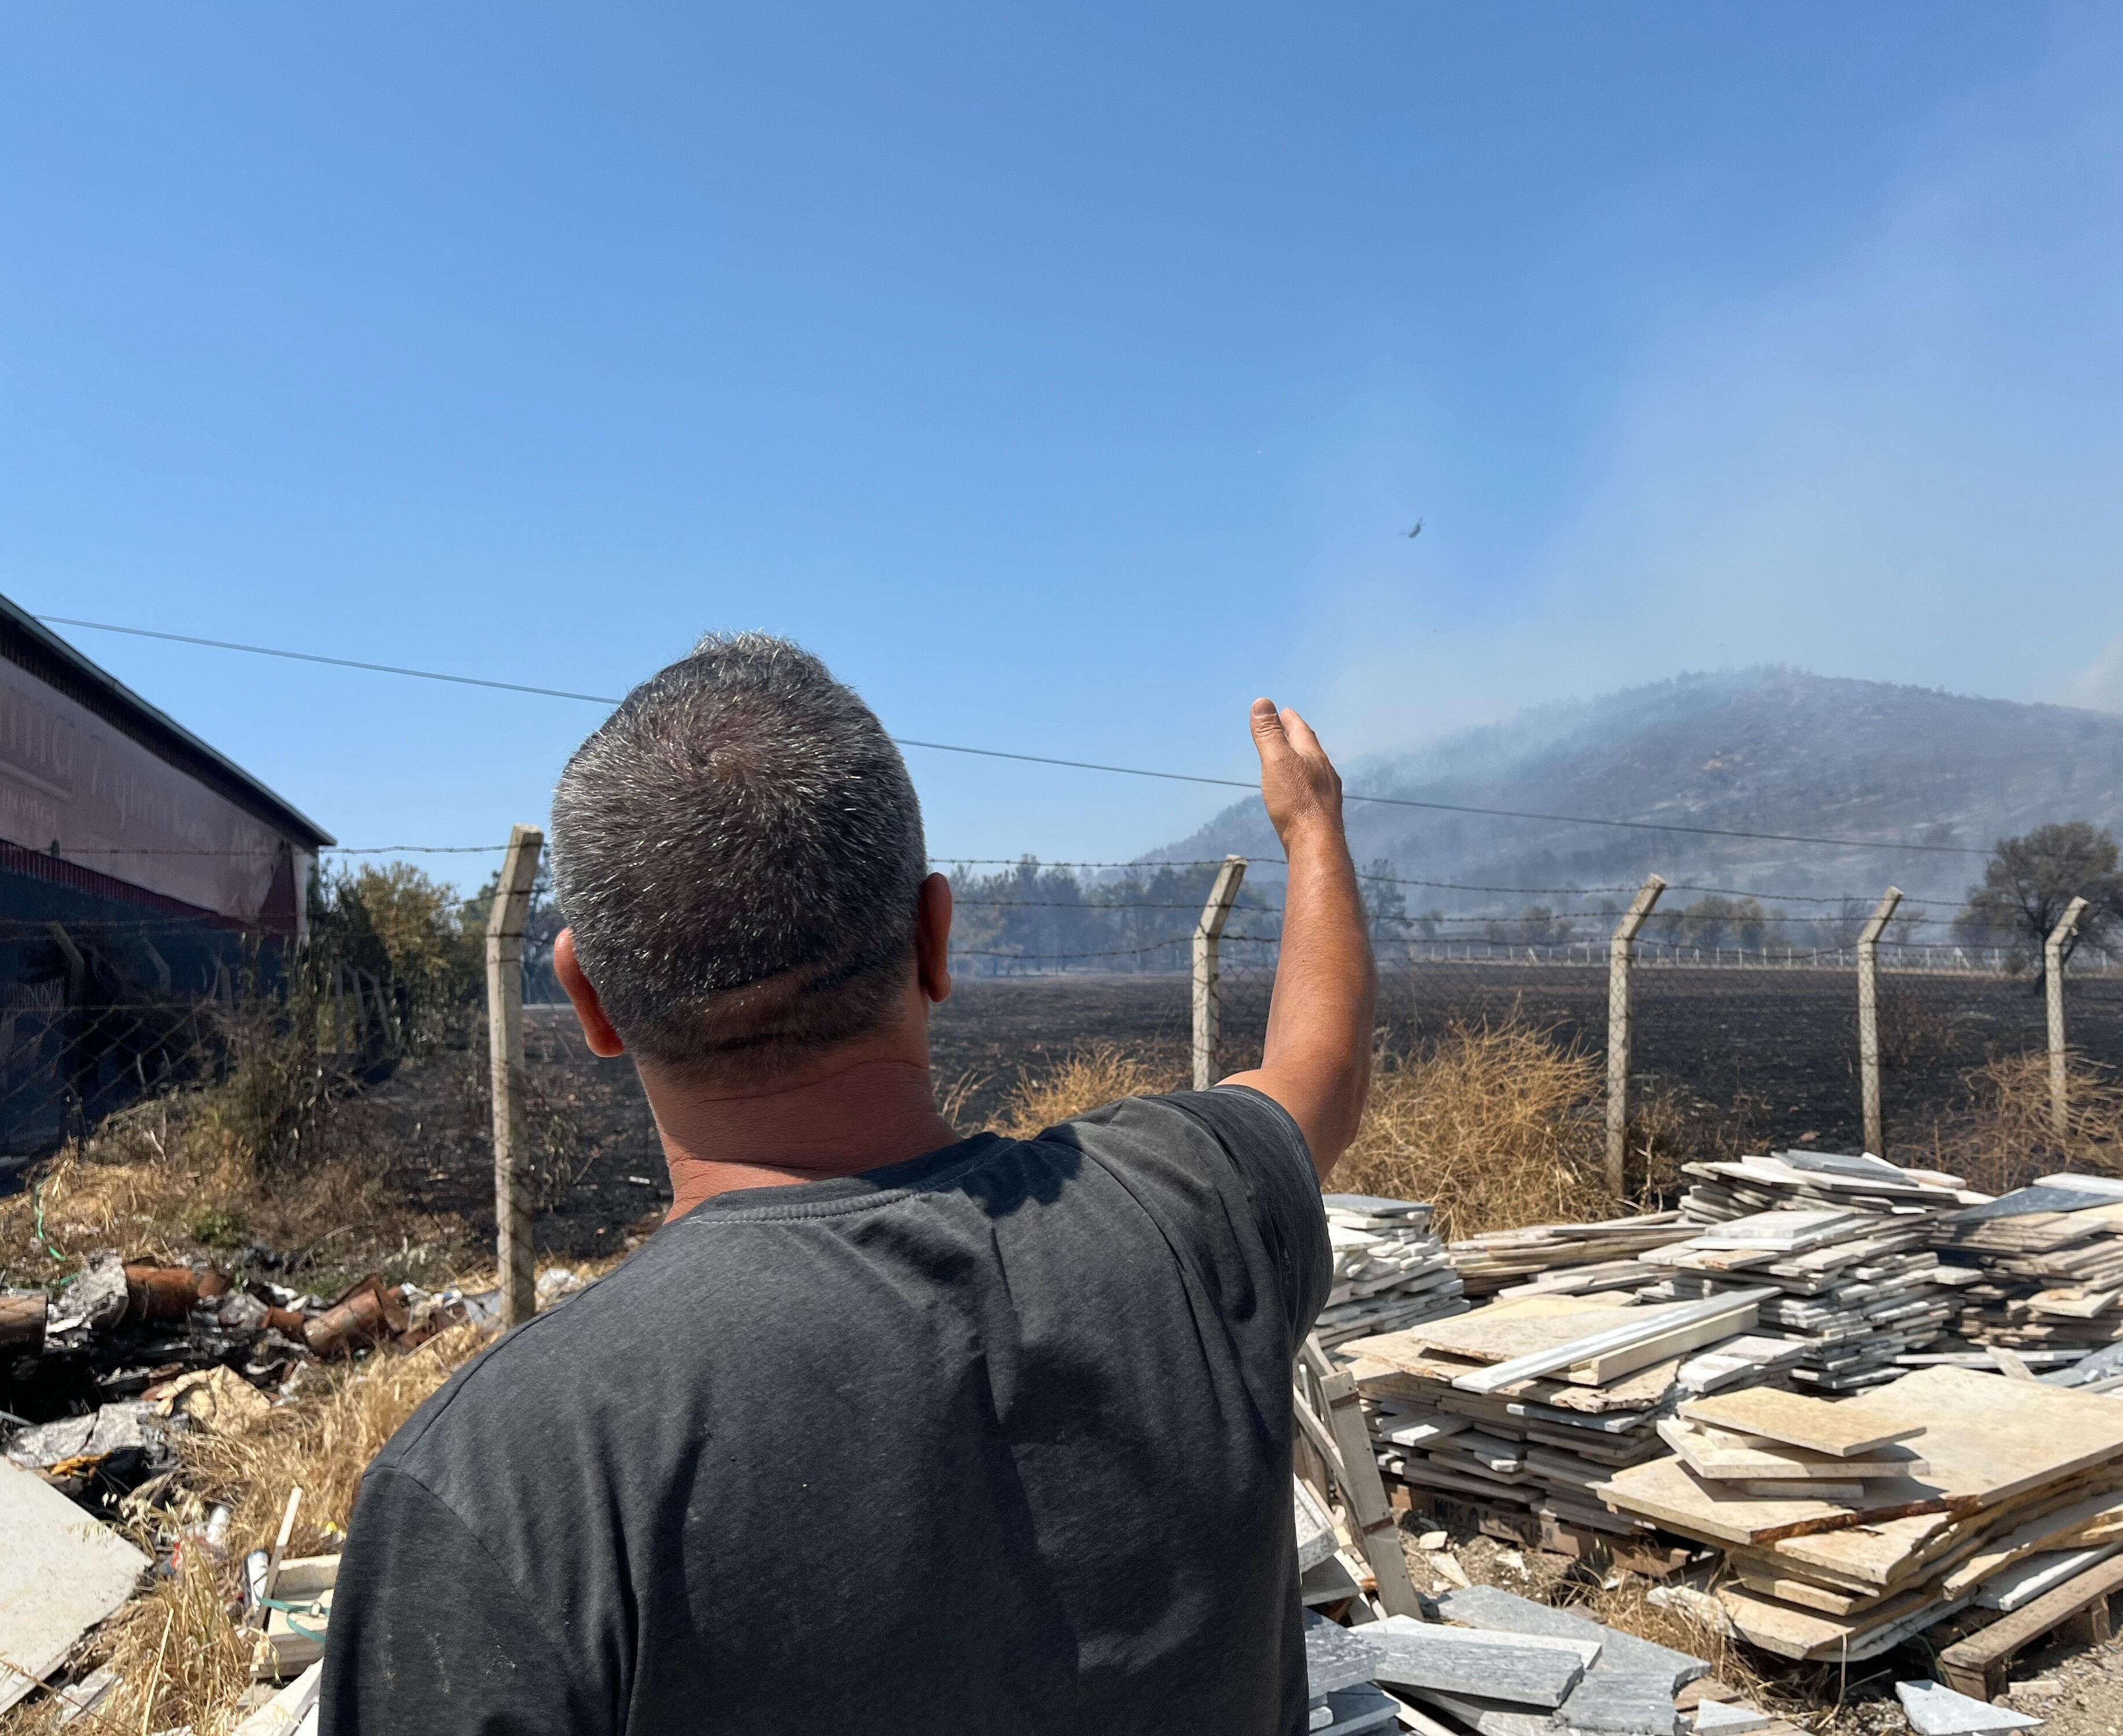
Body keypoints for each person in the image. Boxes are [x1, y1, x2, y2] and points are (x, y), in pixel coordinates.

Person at [320, 633, 1376, 1735]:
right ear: (935, 938)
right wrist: (1313, 829)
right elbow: (1323, 1072)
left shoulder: (507, 1479)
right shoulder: (1189, 1205)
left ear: (589, 999)